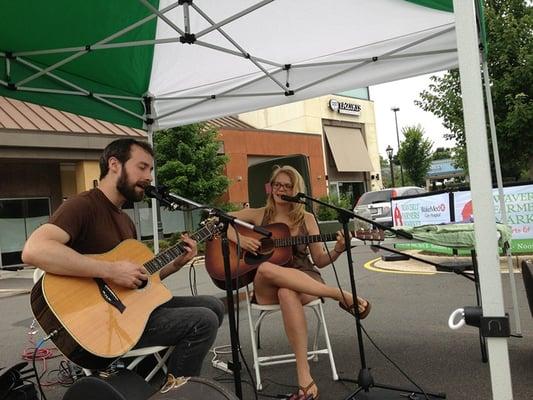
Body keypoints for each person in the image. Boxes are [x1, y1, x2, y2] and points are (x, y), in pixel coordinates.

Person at [22, 138, 224, 377]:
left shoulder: (126, 221)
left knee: (214, 306)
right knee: (203, 320)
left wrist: (176, 263)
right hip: (101, 324)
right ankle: (178, 392)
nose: (149, 177)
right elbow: (34, 250)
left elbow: (140, 278)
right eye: (142, 167)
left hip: (129, 312)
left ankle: (155, 380)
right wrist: (110, 270)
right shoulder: (83, 206)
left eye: (150, 170)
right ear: (114, 164)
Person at [228, 165, 371, 400]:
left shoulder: (306, 219)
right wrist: (241, 239)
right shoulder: (257, 215)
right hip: (266, 285)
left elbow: (320, 261)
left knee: (287, 292)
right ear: (270, 187)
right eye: (277, 184)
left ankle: (304, 378)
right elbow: (215, 222)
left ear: (296, 190)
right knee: (264, 267)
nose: (281, 189)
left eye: (287, 185)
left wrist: (337, 250)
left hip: (305, 279)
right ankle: (338, 294)